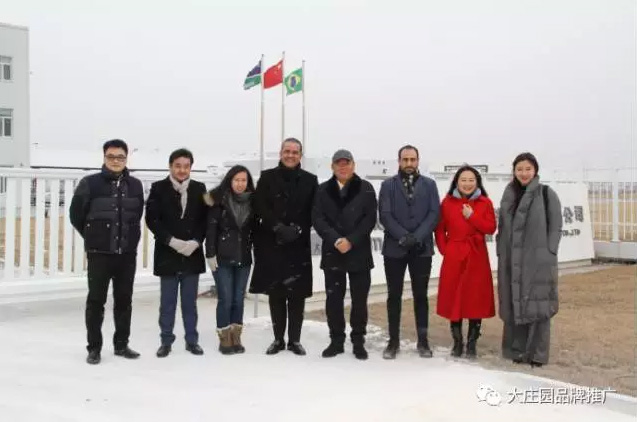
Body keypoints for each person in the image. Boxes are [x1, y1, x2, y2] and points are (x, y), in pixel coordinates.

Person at [70, 139, 144, 365]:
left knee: (124, 300)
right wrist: (94, 236)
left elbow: (136, 215)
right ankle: (94, 348)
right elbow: (76, 215)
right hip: (99, 254)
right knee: (96, 301)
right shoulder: (89, 183)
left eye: (120, 157)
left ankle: (121, 344)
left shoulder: (135, 185)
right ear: (104, 157)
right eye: (111, 156)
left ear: (126, 159)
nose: (116, 161)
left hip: (126, 255)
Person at [250, 138, 318, 356]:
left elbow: (314, 211)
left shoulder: (310, 180)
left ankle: (295, 340)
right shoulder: (267, 177)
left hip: (298, 245)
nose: (290, 155)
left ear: (300, 155)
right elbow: (260, 206)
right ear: (280, 153)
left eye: (295, 152)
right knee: (276, 293)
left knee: (297, 295)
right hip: (273, 244)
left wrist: (297, 229)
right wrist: (278, 227)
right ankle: (278, 339)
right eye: (287, 151)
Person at [497, 152, 562, 367]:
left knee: (538, 305)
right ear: (514, 171)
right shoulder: (509, 194)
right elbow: (503, 227)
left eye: (528, 169)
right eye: (519, 169)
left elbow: (556, 226)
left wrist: (549, 252)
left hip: (538, 259)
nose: (523, 173)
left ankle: (537, 354)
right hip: (511, 259)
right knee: (515, 302)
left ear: (535, 171)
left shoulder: (546, 194)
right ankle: (516, 350)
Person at [312, 150, 378, 360]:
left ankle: (358, 340)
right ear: (332, 166)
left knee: (359, 300)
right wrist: (336, 239)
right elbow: (318, 219)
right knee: (334, 299)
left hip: (358, 251)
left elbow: (369, 219)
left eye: (346, 163)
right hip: (333, 252)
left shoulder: (366, 188)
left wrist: (351, 240)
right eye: (338, 163)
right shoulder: (323, 190)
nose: (343, 167)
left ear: (353, 165)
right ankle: (336, 340)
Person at [378, 144, 440, 359]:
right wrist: (403, 236)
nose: (409, 163)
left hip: (422, 249)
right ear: (399, 161)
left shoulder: (430, 185)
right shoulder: (388, 185)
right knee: (394, 295)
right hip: (395, 249)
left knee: (421, 295)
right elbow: (385, 214)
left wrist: (417, 237)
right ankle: (393, 341)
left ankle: (423, 341)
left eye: (412, 159)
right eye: (405, 160)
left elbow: (434, 213)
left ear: (418, 161)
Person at [145, 148, 208, 358]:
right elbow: (152, 219)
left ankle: (192, 340)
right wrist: (170, 241)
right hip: (168, 253)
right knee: (167, 303)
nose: (182, 170)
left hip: (192, 254)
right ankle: (166, 341)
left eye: (186, 166)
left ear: (191, 167)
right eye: (178, 166)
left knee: (190, 303)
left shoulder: (199, 188)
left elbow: (205, 219)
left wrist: (196, 241)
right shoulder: (158, 188)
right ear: (170, 166)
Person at [434, 165, 496, 359]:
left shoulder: (485, 202)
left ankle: (472, 343)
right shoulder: (447, 202)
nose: (467, 184)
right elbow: (439, 229)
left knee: (475, 298)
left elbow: (490, 227)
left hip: (477, 255)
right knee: (454, 297)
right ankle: (457, 342)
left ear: (477, 182)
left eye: (471, 180)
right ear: (456, 182)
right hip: (455, 255)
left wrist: (472, 216)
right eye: (463, 180)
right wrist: (446, 250)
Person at [204, 165, 256, 355]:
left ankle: (236, 336)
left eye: (244, 180)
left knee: (238, 299)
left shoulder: (253, 202)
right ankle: (225, 338)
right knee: (225, 298)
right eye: (236, 180)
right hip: (222, 258)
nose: (240, 184)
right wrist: (210, 254)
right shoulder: (219, 200)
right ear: (230, 181)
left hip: (244, 257)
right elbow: (211, 229)